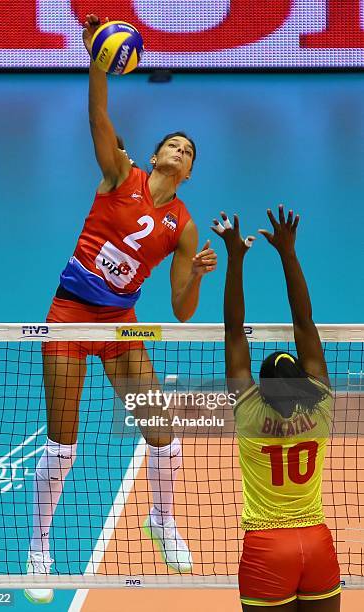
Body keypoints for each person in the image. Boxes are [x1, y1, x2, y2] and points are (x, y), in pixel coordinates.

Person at [24, 13, 217, 604]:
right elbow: (97, 117)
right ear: (155, 155)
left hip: (120, 325)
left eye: (188, 152)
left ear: (188, 172)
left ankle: (163, 520)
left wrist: (203, 274)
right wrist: (98, 62)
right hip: (68, 313)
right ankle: (38, 546)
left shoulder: (183, 227)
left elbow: (182, 311)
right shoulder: (118, 174)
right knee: (64, 442)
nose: (179, 152)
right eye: (173, 144)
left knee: (164, 430)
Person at [212, 205, 341, 611]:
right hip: (317, 544)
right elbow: (304, 321)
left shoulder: (249, 410)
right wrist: (288, 253)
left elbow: (234, 329)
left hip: (268, 547)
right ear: (303, 379)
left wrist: (235, 258)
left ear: (261, 387)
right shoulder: (320, 403)